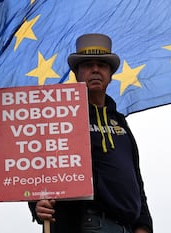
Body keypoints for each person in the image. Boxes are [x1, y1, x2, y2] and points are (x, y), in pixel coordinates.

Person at [28, 33, 153, 233]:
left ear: (111, 75)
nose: (95, 69)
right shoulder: (60, 117)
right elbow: (40, 167)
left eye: (102, 65)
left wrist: (143, 225)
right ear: (77, 74)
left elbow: (135, 179)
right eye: (87, 65)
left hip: (126, 227)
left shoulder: (120, 122)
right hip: (85, 224)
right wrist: (36, 203)